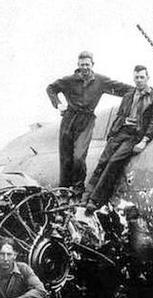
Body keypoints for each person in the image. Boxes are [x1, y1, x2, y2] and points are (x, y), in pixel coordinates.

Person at [46, 51, 133, 198]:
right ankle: (64, 191)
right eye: (82, 65)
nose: (85, 68)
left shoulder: (100, 81)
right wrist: (58, 104)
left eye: (87, 64)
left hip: (86, 120)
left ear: (92, 65)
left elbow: (125, 89)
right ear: (78, 66)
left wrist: (142, 92)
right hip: (69, 119)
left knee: (79, 157)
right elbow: (51, 89)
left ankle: (78, 189)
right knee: (66, 158)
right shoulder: (69, 80)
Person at [84, 65, 153, 212]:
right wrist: (111, 135)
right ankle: (85, 197)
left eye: (142, 77)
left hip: (134, 135)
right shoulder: (128, 95)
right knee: (102, 161)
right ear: (133, 78)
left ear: (148, 78)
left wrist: (144, 140)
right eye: (136, 77)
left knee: (114, 163)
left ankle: (95, 200)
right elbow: (120, 115)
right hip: (120, 131)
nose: (139, 80)